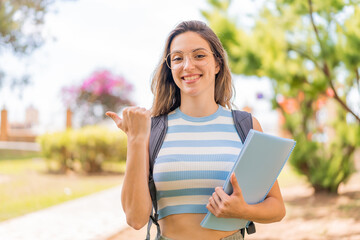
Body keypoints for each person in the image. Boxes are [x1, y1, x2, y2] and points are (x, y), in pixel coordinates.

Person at [106, 20, 286, 240]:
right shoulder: (153, 129)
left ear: (217, 64)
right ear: (170, 67)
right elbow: (135, 219)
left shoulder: (246, 125)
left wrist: (244, 211)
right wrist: (135, 139)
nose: (188, 66)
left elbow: (277, 207)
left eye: (199, 55)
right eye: (178, 58)